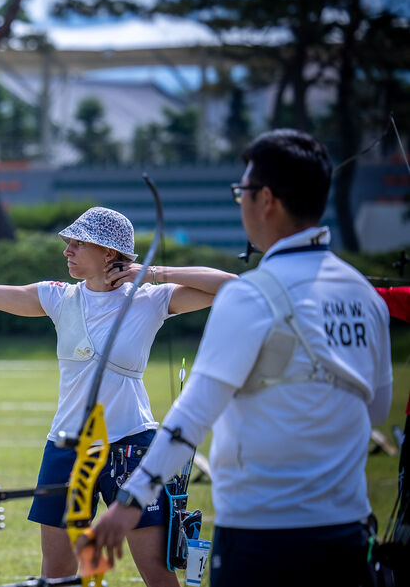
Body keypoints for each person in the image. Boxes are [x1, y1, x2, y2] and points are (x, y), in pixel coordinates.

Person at [86, 129, 394, 587]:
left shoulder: (250, 297)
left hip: (262, 538)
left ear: (266, 199)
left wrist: (130, 500)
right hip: (348, 533)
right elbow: (377, 409)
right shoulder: (365, 296)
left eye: (242, 191)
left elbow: (193, 414)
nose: (240, 201)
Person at [0, 206, 235, 586]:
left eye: (78, 243)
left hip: (131, 446)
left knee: (157, 573)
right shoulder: (58, 297)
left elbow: (231, 285)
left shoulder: (150, 299)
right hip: (67, 447)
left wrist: (150, 272)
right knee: (58, 578)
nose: (67, 250)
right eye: (68, 242)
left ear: (109, 254)